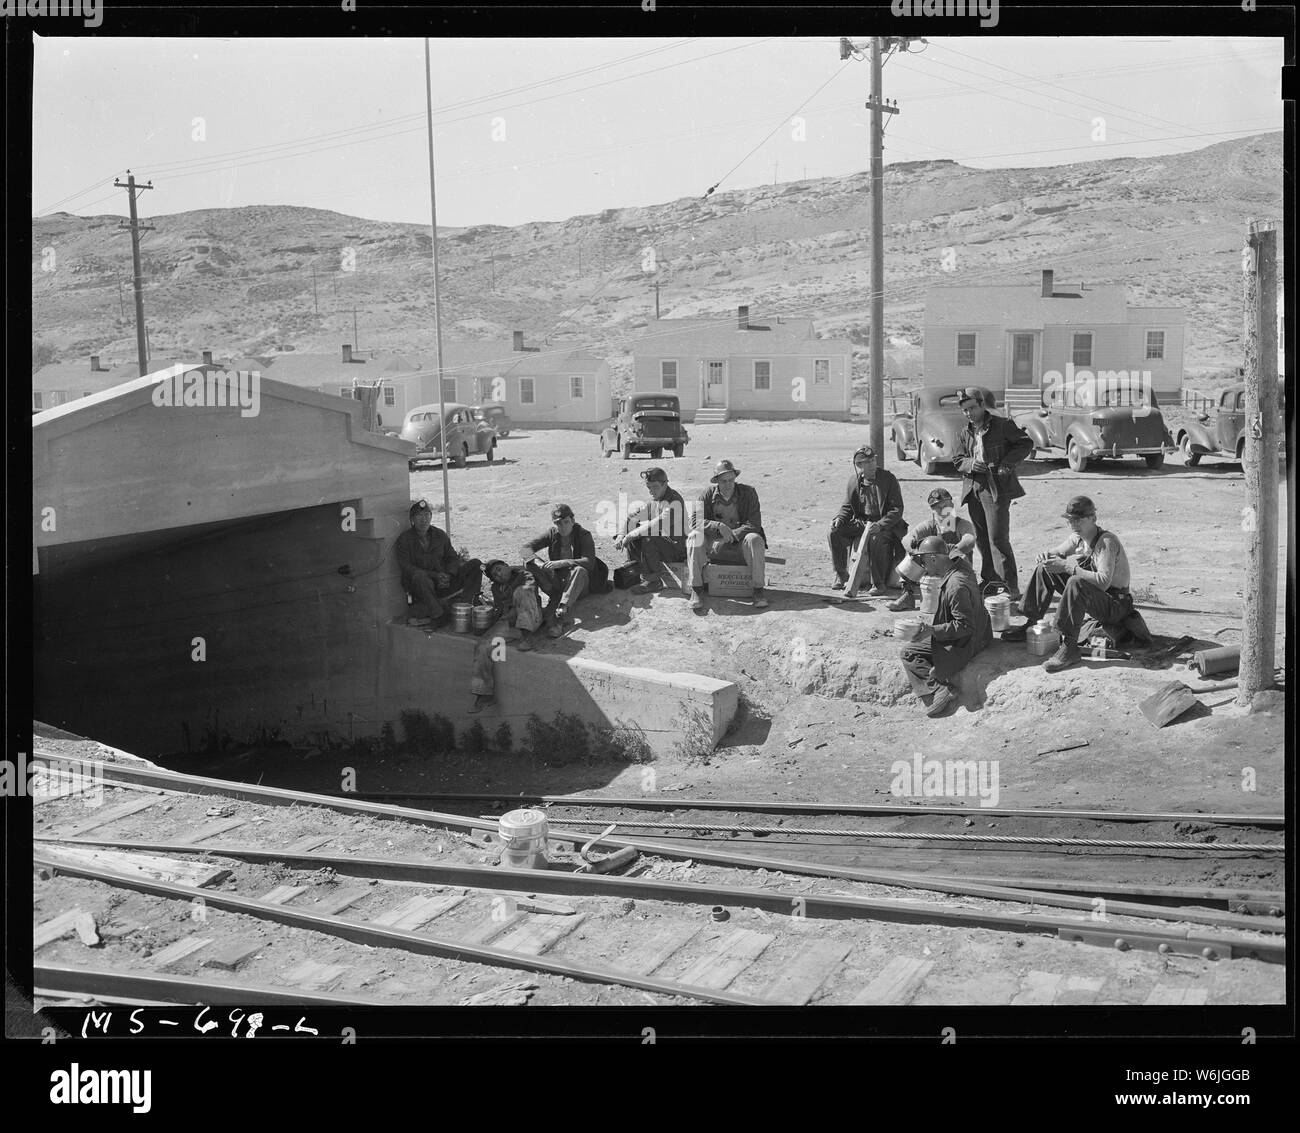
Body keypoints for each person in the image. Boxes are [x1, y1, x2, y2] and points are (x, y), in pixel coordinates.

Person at [1000, 495, 1136, 673]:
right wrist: (1046, 556)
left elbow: (1103, 583)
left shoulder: (1106, 542)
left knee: (1075, 581)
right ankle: (1031, 623)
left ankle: (1070, 646)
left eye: (1078, 520)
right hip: (1097, 598)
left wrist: (1067, 567)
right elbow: (1058, 552)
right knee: (1045, 568)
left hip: (1115, 605)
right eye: (1070, 521)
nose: (1073, 525)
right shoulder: (1078, 537)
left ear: (1093, 519)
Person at [953, 387, 1034, 601]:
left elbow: (1025, 443)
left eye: (972, 408)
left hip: (996, 488)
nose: (969, 413)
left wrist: (1007, 464)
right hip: (973, 489)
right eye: (964, 410)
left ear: (981, 405)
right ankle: (990, 581)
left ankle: (1010, 587)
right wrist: (971, 464)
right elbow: (957, 460)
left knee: (997, 538)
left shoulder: (1002, 425)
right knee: (981, 538)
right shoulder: (964, 432)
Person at [899, 535, 992, 717]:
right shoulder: (961, 565)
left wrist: (932, 631)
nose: (923, 567)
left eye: (924, 561)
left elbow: (965, 626)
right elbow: (949, 548)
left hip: (968, 642)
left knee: (909, 653)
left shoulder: (955, 586)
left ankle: (940, 689)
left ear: (934, 558)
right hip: (984, 632)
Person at [686, 459, 768, 612]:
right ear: (716, 481)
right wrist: (718, 526)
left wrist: (731, 535)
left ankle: (758, 591)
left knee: (755, 539)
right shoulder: (706, 494)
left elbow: (754, 524)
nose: (728, 484)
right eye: (724, 481)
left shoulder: (749, 492)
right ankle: (696, 589)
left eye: (731, 480)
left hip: (740, 544)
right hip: (713, 545)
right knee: (694, 537)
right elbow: (694, 521)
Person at [828, 445, 907, 594]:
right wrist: (839, 518)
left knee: (876, 537)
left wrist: (881, 524)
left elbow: (897, 509)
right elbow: (847, 506)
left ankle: (879, 583)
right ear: (859, 465)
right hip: (862, 522)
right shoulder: (854, 481)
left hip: (885, 524)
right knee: (834, 531)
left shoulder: (888, 479)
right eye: (867, 462)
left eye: (873, 461)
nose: (872, 465)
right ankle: (841, 575)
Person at [470, 559, 544, 713]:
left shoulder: (525, 575)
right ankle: (484, 694)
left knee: (521, 592)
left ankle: (527, 638)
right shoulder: (497, 588)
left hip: (531, 617)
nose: (498, 575)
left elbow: (529, 593)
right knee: (482, 645)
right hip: (511, 624)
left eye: (499, 569)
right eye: (495, 575)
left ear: (506, 566)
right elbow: (500, 609)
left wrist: (511, 611)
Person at [394, 499, 484, 626]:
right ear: (412, 520)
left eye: (427, 515)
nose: (423, 520)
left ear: (431, 517)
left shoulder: (440, 535)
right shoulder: (404, 540)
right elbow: (406, 567)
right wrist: (435, 576)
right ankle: (439, 615)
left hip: (444, 582)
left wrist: (449, 574)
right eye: (419, 516)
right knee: (419, 576)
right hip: (422, 587)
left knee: (476, 564)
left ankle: (467, 604)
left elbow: (452, 558)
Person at [887, 487, 978, 612]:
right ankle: (908, 596)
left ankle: (964, 600)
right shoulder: (930, 525)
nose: (942, 511)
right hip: (935, 568)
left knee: (962, 558)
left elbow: (969, 540)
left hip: (956, 568)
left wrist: (953, 551)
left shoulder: (962, 524)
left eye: (945, 506)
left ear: (951, 505)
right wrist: (915, 549)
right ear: (932, 510)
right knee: (912, 557)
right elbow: (906, 539)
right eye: (938, 508)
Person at [523, 503, 601, 638]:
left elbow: (589, 562)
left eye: (566, 522)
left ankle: (562, 613)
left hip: (578, 584)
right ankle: (542, 601)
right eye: (559, 524)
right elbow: (525, 549)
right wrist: (541, 564)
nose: (563, 527)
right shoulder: (552, 534)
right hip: (557, 581)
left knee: (580, 570)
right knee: (528, 562)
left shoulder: (583, 535)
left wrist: (562, 563)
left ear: (573, 521)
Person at [613, 466, 687, 595]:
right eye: (649, 487)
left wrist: (630, 535)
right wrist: (621, 535)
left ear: (665, 484)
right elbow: (632, 518)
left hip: (677, 550)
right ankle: (635, 570)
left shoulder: (675, 501)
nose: (651, 491)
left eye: (655, 487)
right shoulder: (656, 501)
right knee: (635, 529)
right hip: (665, 544)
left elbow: (656, 524)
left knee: (647, 536)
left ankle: (653, 581)